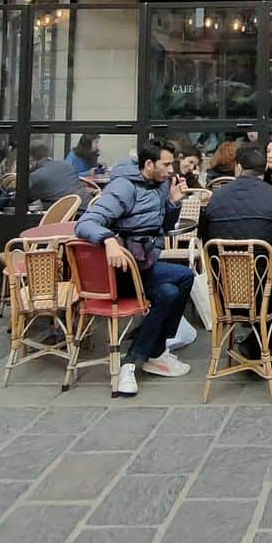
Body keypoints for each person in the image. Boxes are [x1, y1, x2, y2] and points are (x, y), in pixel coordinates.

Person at [74, 141, 194, 396]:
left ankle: (151, 352)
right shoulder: (124, 187)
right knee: (180, 280)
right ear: (148, 164)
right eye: (166, 164)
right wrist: (108, 240)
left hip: (144, 265)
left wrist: (172, 203)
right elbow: (85, 222)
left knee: (176, 287)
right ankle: (137, 360)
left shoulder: (160, 186)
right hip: (122, 271)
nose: (171, 169)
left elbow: (163, 226)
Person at [201, 143, 272, 325]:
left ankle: (259, 338)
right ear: (264, 168)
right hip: (267, 288)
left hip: (225, 289)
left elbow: (206, 243)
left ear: (238, 167)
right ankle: (269, 336)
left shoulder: (216, 199)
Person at [28, 142, 90, 210]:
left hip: (70, 215)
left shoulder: (35, 176)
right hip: (87, 208)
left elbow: (21, 195)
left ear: (30, 158)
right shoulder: (66, 165)